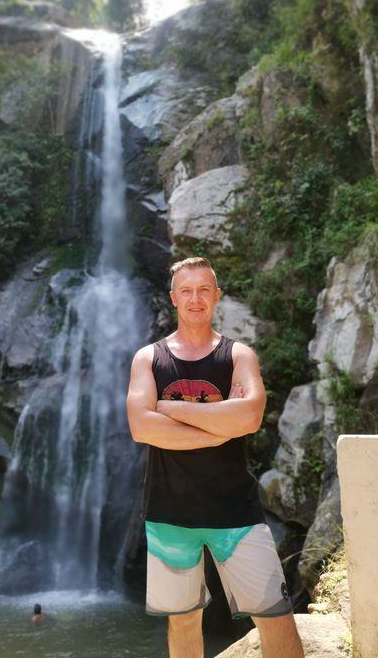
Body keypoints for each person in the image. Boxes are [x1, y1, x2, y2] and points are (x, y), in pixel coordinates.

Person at [126, 257, 304, 658]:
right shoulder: (148, 358)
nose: (196, 298)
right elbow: (141, 428)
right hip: (170, 513)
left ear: (216, 295)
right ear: (174, 298)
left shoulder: (239, 356)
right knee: (184, 621)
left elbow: (250, 417)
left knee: (276, 614)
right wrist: (221, 423)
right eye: (186, 291)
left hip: (236, 511)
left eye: (204, 289)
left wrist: (171, 408)